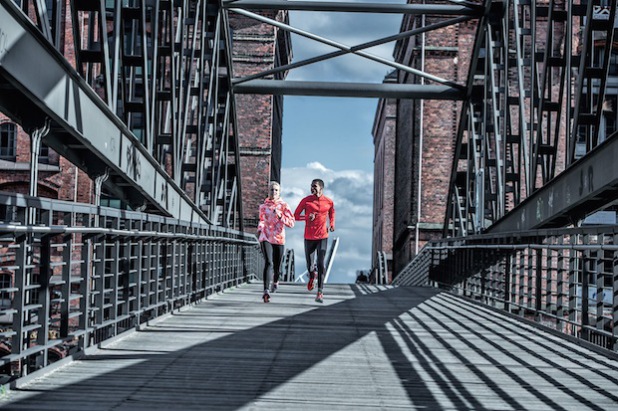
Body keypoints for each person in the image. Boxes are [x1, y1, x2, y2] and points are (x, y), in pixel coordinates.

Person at [294, 178, 335, 303]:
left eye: (314, 186)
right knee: (310, 265)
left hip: (322, 236)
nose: (312, 188)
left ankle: (320, 292)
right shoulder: (306, 201)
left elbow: (332, 212)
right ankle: (312, 276)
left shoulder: (328, 201)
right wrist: (307, 217)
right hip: (309, 237)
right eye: (311, 186)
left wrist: (332, 224)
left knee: (321, 263)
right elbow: (295, 216)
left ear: (321, 188)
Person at [257, 181, 295, 303]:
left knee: (277, 266)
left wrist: (280, 217)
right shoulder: (263, 206)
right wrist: (260, 228)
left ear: (279, 192)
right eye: (272, 190)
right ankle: (266, 291)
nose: (274, 192)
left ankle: (276, 281)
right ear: (268, 191)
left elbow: (291, 223)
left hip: (279, 238)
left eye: (276, 190)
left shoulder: (284, 206)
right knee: (269, 262)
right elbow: (262, 220)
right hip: (266, 236)